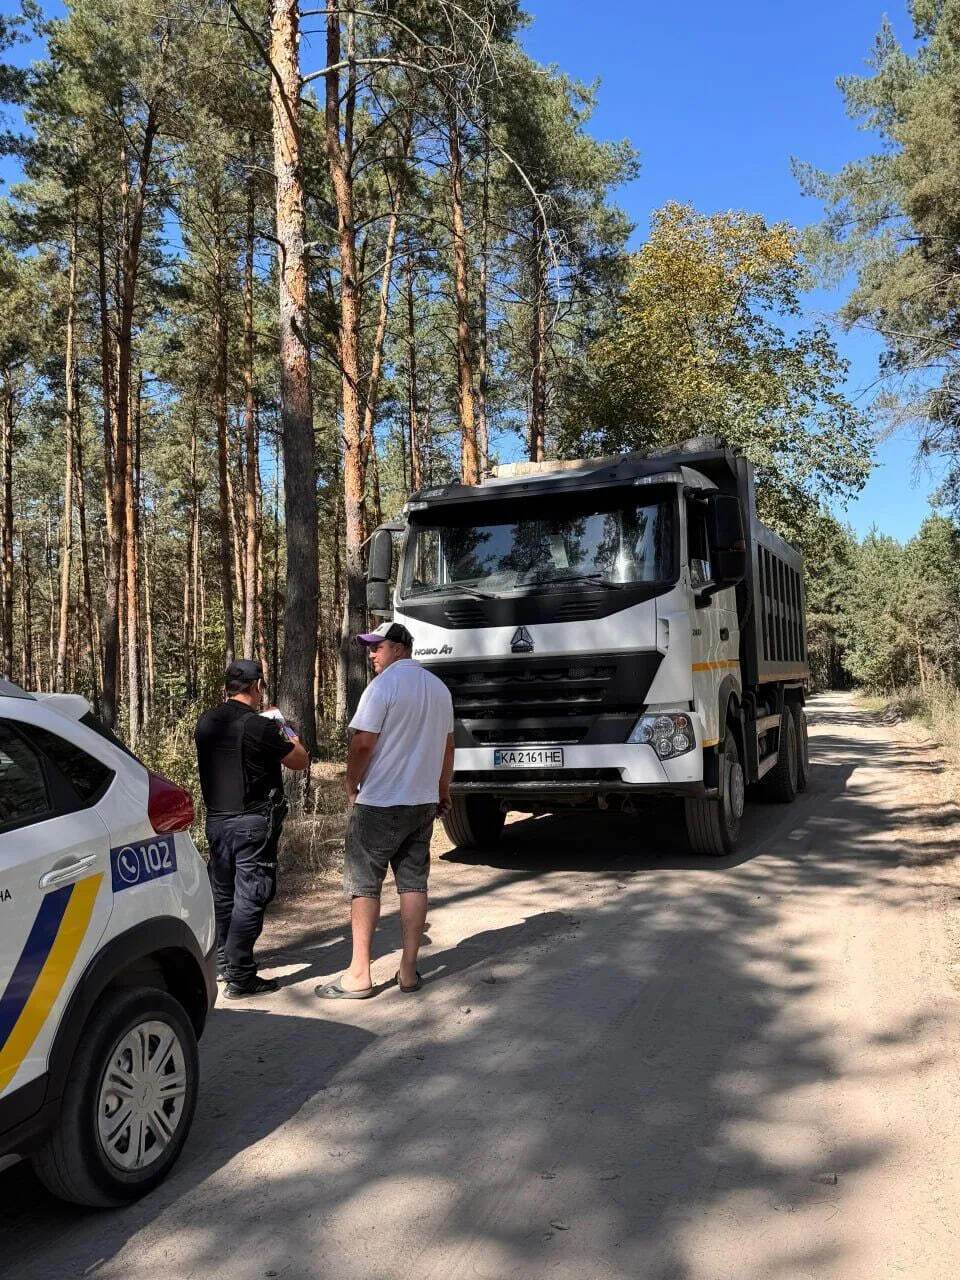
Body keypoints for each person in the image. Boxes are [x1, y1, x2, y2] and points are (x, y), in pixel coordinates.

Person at [316, 621, 454, 1000]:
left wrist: (350, 783)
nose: (372, 653)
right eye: (370, 647)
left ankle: (360, 974)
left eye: (377, 646)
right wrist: (442, 792)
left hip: (380, 801)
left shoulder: (383, 687)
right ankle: (408, 970)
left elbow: (363, 743)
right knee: (413, 883)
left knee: (364, 884)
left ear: (400, 647)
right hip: (422, 802)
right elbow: (447, 748)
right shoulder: (440, 690)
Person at [195, 659, 310, 998]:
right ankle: (241, 975)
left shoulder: (206, 722)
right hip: (252, 822)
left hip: (217, 821)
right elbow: (300, 759)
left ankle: (222, 963)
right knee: (252, 894)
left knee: (223, 893)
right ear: (257, 686)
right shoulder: (260, 726)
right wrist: (284, 727)